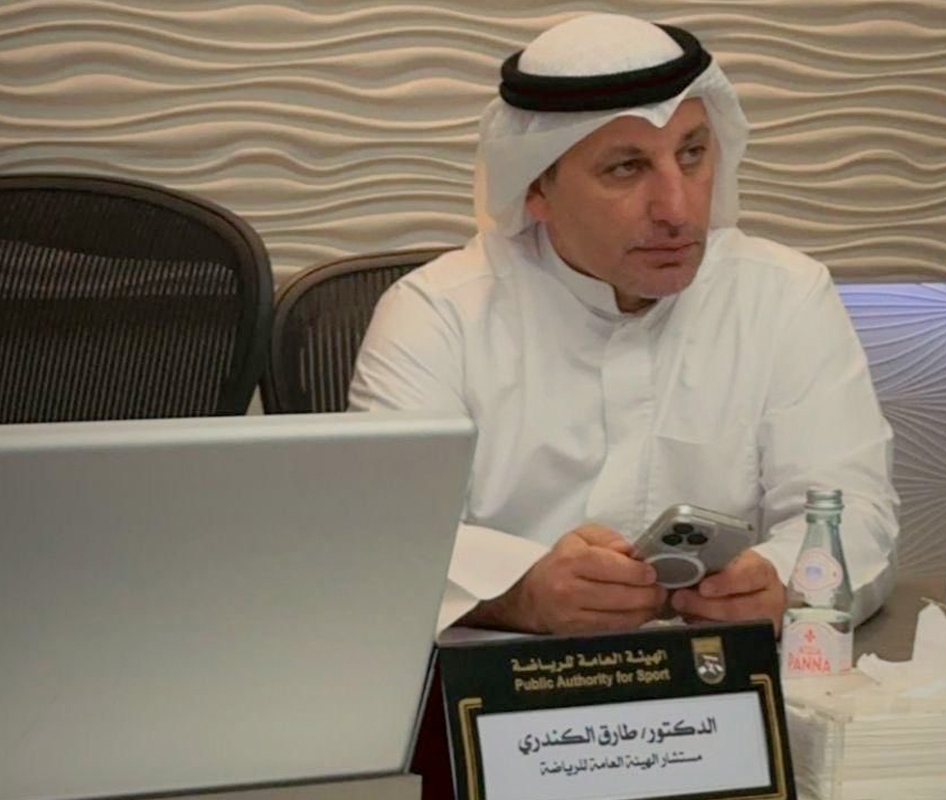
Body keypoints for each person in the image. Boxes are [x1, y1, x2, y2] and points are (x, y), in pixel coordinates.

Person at [348, 13, 899, 636]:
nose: (677, 209)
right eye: (626, 168)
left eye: (692, 155)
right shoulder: (438, 314)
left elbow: (854, 515)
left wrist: (779, 584)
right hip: (506, 681)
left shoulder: (785, 296)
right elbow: (383, 538)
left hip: (722, 677)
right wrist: (516, 595)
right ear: (536, 188)